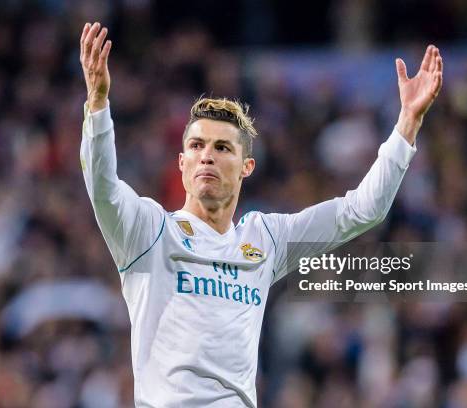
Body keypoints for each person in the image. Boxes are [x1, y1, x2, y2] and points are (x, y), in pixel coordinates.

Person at [79, 21, 443, 407]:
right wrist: (99, 104)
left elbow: (361, 211)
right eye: (197, 145)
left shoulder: (264, 238)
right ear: (182, 163)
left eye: (222, 148)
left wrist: (407, 123)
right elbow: (103, 187)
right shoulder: (149, 231)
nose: (207, 155)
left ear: (246, 166)